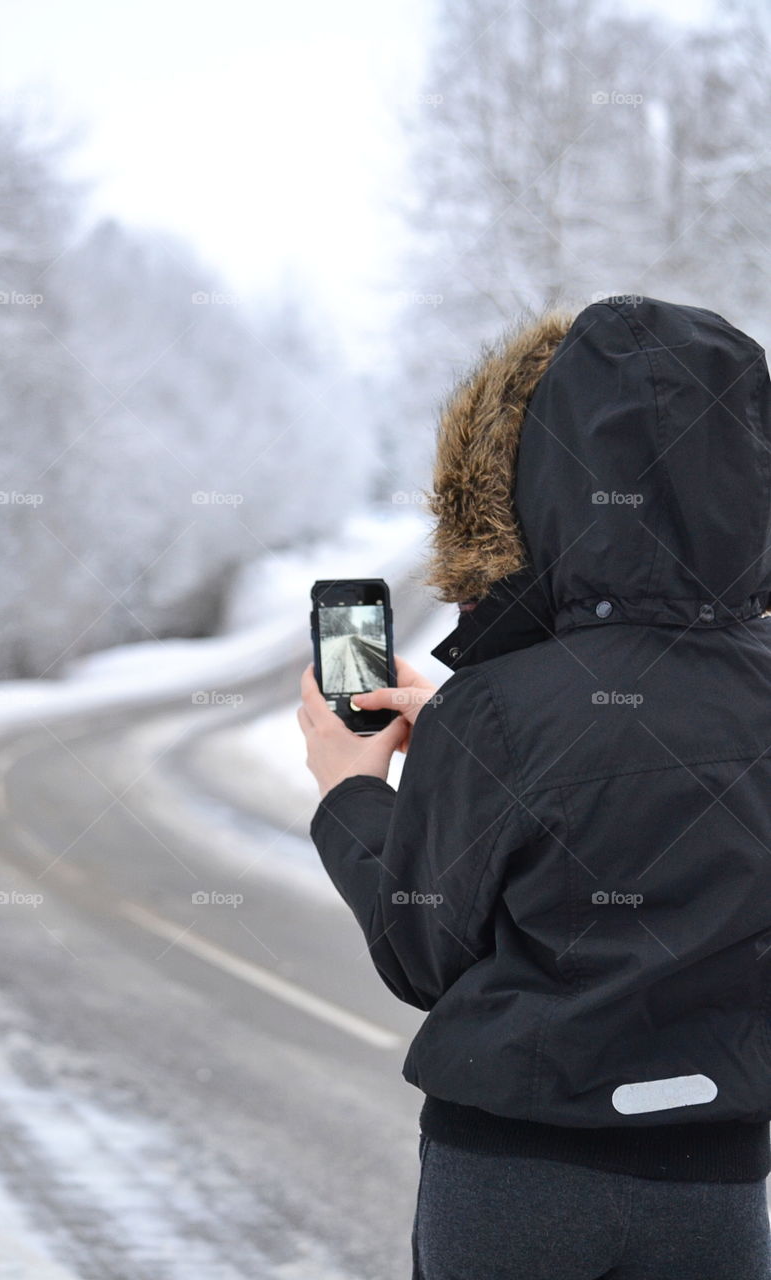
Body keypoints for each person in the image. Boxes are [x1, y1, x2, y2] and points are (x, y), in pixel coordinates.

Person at [297, 294, 771, 1280]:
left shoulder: (501, 708)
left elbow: (420, 946)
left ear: (540, 473)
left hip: (517, 1182)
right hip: (717, 1187)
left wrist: (352, 787)